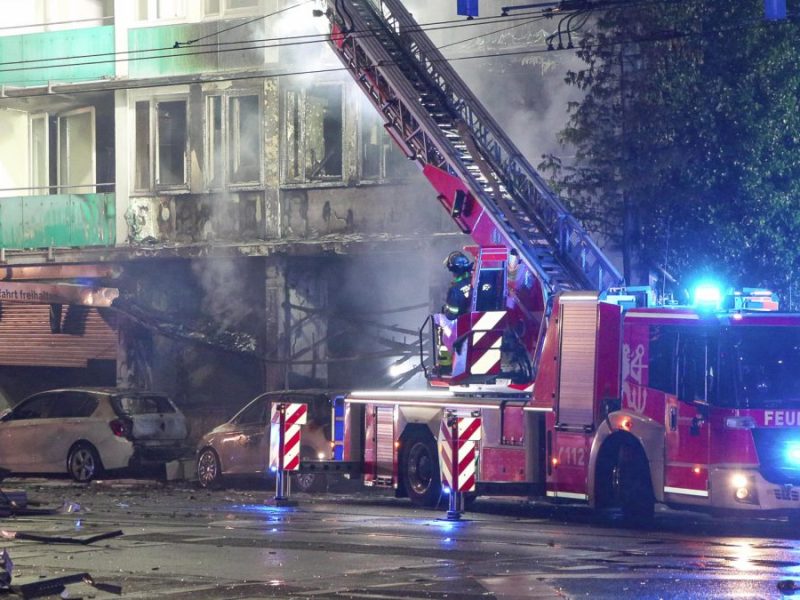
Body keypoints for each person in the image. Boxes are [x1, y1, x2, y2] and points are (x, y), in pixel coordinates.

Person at [442, 251, 473, 319]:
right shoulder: (475, 279)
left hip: (465, 324)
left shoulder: (454, 289)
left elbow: (452, 315)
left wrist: (446, 310)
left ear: (453, 269)